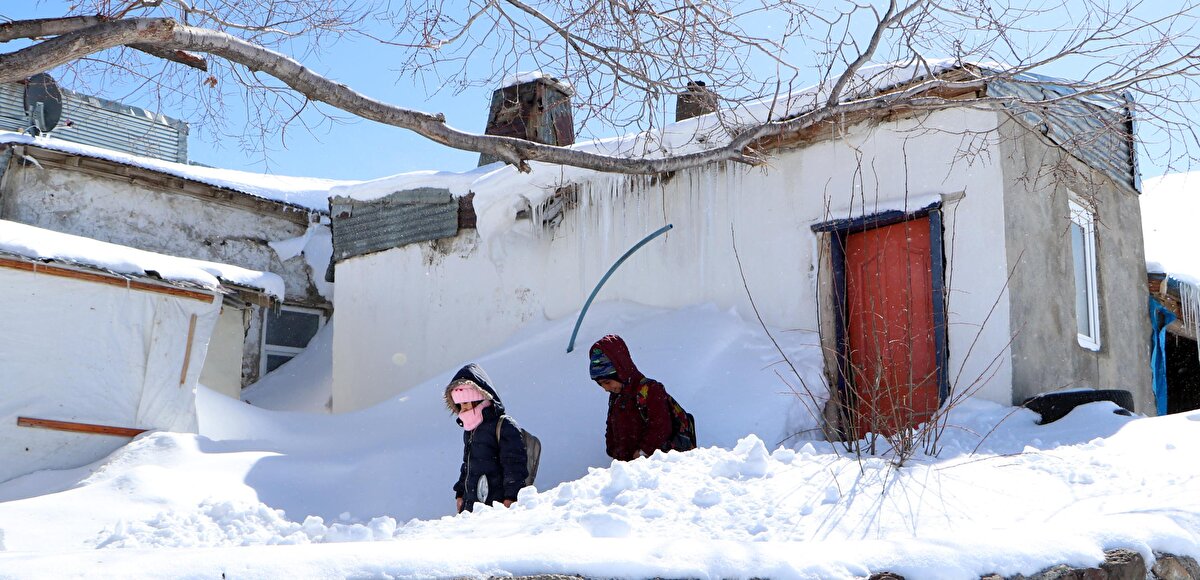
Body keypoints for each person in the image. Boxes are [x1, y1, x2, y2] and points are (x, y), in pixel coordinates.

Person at [444, 363, 529, 513]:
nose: (462, 410)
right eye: (459, 405)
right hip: (472, 507)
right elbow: (468, 465)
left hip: (497, 507)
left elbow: (514, 465)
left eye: (465, 404)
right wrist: (460, 493)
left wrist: (512, 497)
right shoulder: (470, 429)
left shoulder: (503, 425)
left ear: (479, 399)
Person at [589, 334, 674, 461]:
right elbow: (612, 428)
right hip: (630, 469)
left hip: (656, 467)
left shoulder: (650, 390)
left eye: (607, 382)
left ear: (620, 372)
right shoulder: (616, 397)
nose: (606, 388)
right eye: (601, 384)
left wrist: (642, 452)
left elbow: (660, 426)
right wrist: (614, 451)